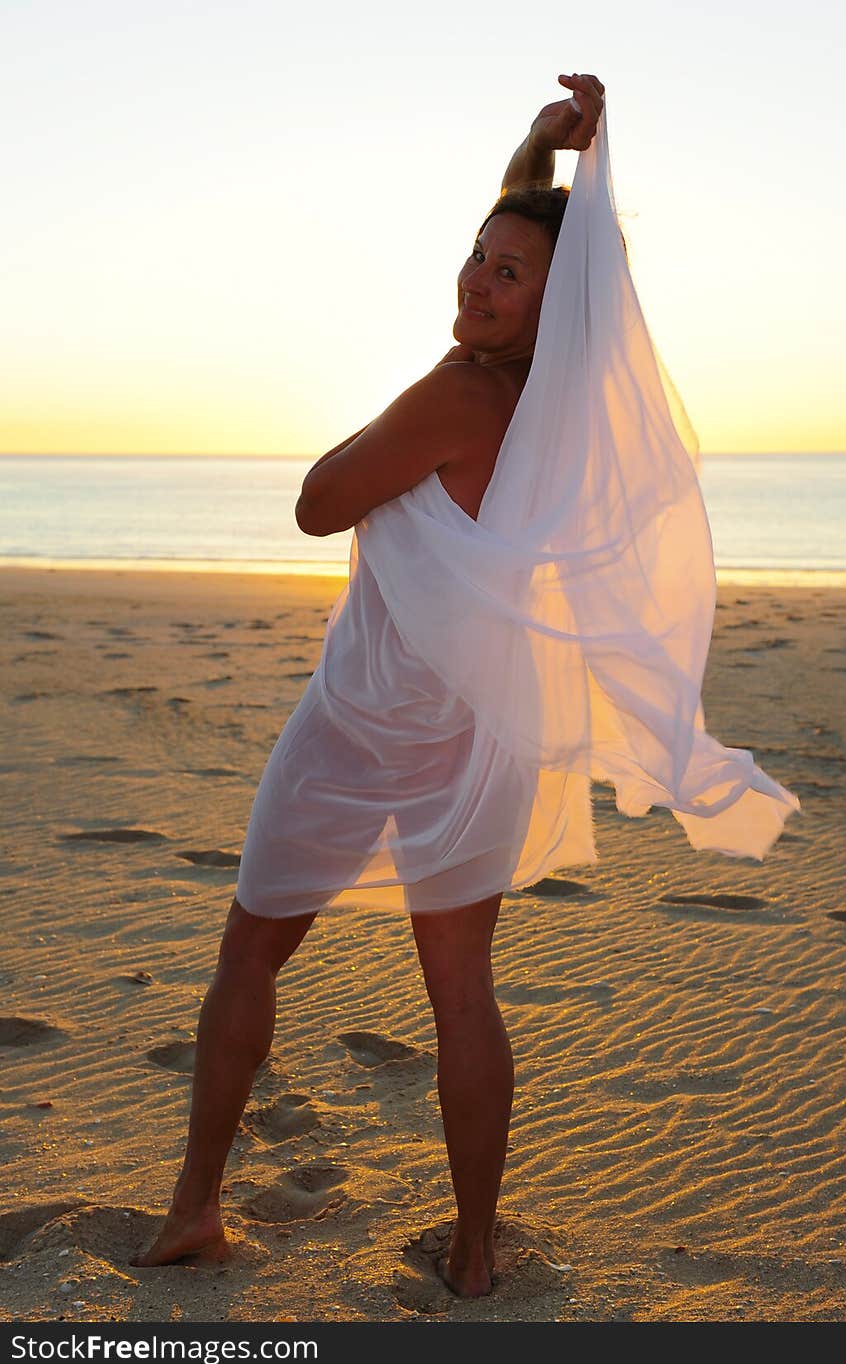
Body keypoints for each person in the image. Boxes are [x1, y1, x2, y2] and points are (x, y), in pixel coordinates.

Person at [134, 72, 609, 1298]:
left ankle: (196, 1205)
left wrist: (362, 440)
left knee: (250, 952)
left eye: (507, 274)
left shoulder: (456, 392)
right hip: (477, 735)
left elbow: (313, 503)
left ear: (553, 306)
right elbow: (531, 247)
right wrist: (538, 147)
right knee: (462, 996)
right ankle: (469, 1252)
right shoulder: (556, 402)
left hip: (364, 722)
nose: (476, 279)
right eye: (474, 256)